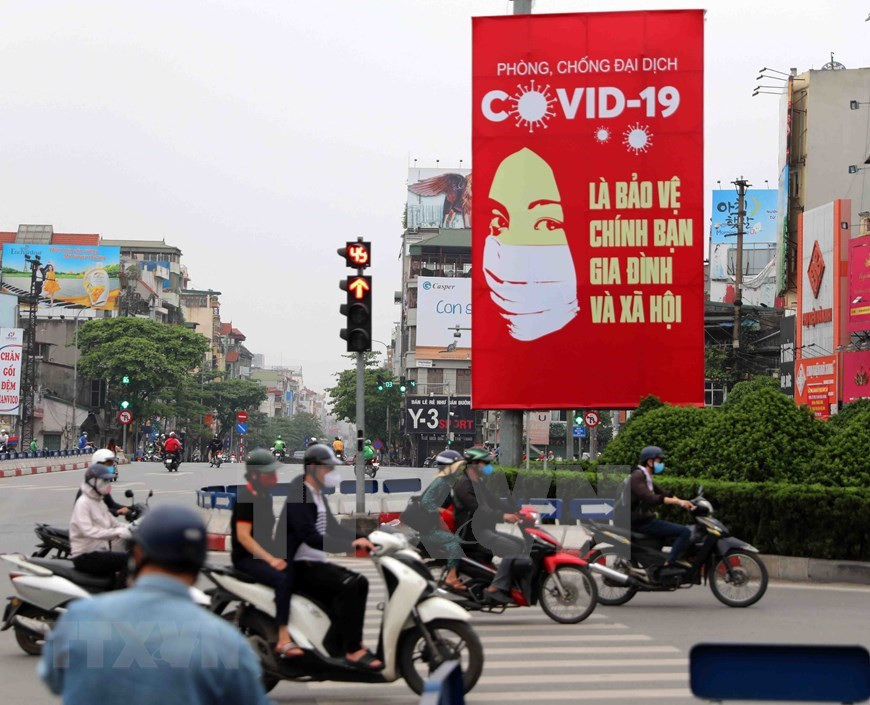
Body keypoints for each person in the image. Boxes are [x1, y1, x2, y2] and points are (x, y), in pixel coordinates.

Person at [40, 505, 270, 705]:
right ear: (199, 561)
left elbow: (54, 679)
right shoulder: (225, 642)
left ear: (138, 554)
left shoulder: (80, 618)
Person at [275, 444, 382, 671]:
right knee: (353, 585)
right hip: (298, 565)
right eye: (327, 468)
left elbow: (332, 527)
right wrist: (349, 545)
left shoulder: (315, 493)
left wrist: (368, 537)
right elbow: (311, 537)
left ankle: (338, 644)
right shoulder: (300, 493)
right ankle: (352, 649)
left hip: (314, 562)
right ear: (313, 468)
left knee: (358, 584)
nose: (331, 473)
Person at [230, 449, 301, 658]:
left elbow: (266, 534)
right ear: (254, 475)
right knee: (283, 581)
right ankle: (283, 637)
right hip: (247, 559)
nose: (275, 477)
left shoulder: (264, 496)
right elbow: (244, 537)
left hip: (262, 554)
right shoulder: (247, 499)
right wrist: (271, 559)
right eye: (269, 474)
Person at [452, 446, 522, 604]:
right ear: (475, 464)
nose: (488, 466)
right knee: (513, 548)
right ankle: (496, 588)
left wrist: (517, 510)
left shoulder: (477, 482)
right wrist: (503, 516)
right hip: (472, 532)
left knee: (520, 543)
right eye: (485, 463)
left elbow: (493, 501)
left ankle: (505, 583)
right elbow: (479, 510)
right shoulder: (464, 485)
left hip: (484, 529)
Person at [630, 446, 695, 569]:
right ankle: (669, 563)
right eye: (658, 461)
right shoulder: (637, 477)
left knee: (671, 533)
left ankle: (658, 561)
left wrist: (683, 501)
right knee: (685, 532)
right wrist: (678, 503)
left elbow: (663, 492)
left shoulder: (645, 476)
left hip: (643, 519)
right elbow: (650, 498)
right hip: (640, 522)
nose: (660, 464)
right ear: (650, 462)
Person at [69, 463, 130, 586]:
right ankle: (120, 596)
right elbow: (88, 531)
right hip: (85, 555)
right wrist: (117, 532)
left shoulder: (99, 502)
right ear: (92, 482)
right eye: (104, 481)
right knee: (128, 560)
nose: (107, 485)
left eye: (108, 481)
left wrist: (132, 528)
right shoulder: (84, 503)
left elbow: (114, 523)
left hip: (99, 551)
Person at [418, 449, 467, 591]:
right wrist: (443, 511)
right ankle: (451, 577)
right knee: (454, 543)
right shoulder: (441, 482)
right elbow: (426, 503)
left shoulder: (449, 481)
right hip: (431, 530)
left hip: (441, 526)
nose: (459, 469)